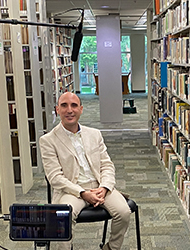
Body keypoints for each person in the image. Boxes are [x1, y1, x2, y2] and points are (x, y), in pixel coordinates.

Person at [40, 92, 131, 250]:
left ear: (81, 109)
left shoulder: (94, 134)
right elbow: (55, 178)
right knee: (63, 218)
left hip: (98, 186)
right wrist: (82, 193)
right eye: (64, 106)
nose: (70, 110)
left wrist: (105, 187)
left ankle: (111, 248)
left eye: (74, 105)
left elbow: (107, 165)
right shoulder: (48, 140)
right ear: (57, 110)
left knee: (124, 212)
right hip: (71, 190)